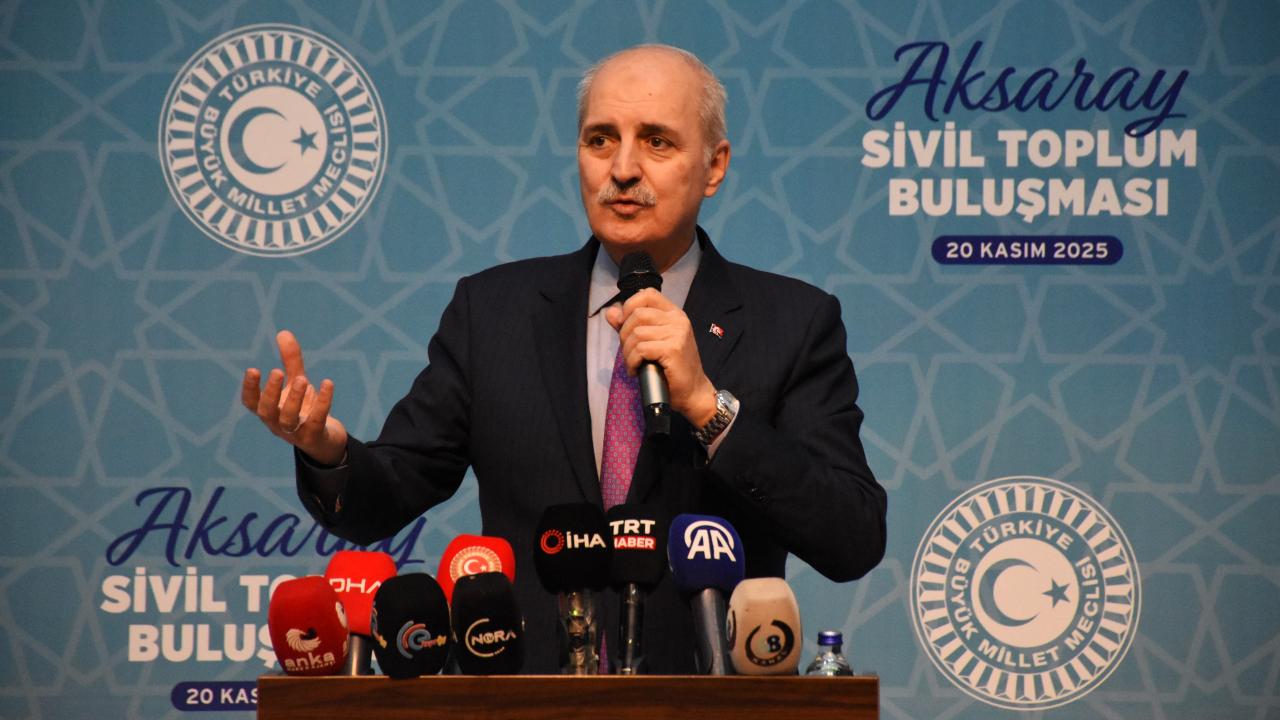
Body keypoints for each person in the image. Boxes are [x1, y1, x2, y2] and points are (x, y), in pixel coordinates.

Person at [241, 44, 887, 673]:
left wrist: (706, 407)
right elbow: (385, 496)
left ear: (714, 167)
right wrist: (328, 454)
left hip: (701, 702)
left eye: (657, 142)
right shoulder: (492, 312)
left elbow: (852, 537)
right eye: (600, 139)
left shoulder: (793, 323)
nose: (623, 169)